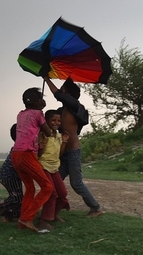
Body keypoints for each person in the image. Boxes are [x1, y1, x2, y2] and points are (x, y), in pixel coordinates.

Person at [43, 76, 104, 217]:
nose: (61, 91)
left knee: (76, 183)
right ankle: (53, 212)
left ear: (67, 93)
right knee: (54, 182)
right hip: (64, 151)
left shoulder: (75, 106)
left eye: (63, 89)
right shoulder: (62, 110)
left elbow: (58, 95)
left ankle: (96, 207)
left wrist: (46, 78)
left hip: (73, 152)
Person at [11, 87, 54, 232]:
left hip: (16, 154)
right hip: (27, 154)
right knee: (47, 187)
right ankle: (26, 218)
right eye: (41, 98)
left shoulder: (20, 114)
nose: (44, 101)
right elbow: (48, 132)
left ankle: (23, 222)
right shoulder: (38, 113)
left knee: (30, 188)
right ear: (36, 102)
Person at [37, 109, 71, 230]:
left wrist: (65, 142)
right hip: (43, 166)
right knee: (51, 193)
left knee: (62, 193)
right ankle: (44, 220)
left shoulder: (58, 136)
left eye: (59, 121)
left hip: (54, 167)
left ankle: (54, 215)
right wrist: (41, 146)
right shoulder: (42, 135)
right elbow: (39, 154)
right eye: (53, 120)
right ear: (46, 121)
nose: (56, 123)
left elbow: (59, 153)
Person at [0, 124, 23, 222]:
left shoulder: (17, 146)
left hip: (8, 175)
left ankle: (9, 215)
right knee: (18, 198)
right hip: (10, 176)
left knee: (16, 196)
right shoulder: (20, 148)